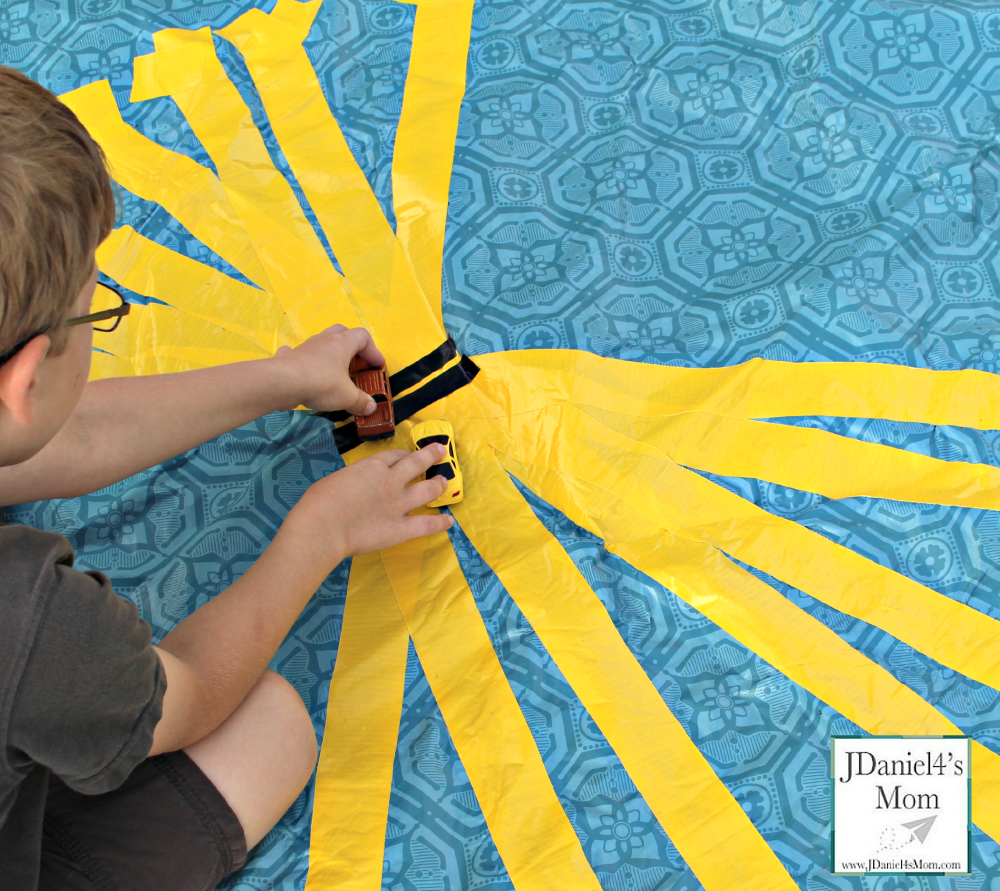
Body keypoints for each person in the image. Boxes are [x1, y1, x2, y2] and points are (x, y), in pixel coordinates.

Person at [0, 65, 454, 890]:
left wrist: (280, 377)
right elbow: (193, 695)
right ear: (27, 376)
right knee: (270, 725)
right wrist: (322, 531)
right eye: (95, 312)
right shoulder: (28, 621)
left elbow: (63, 434)